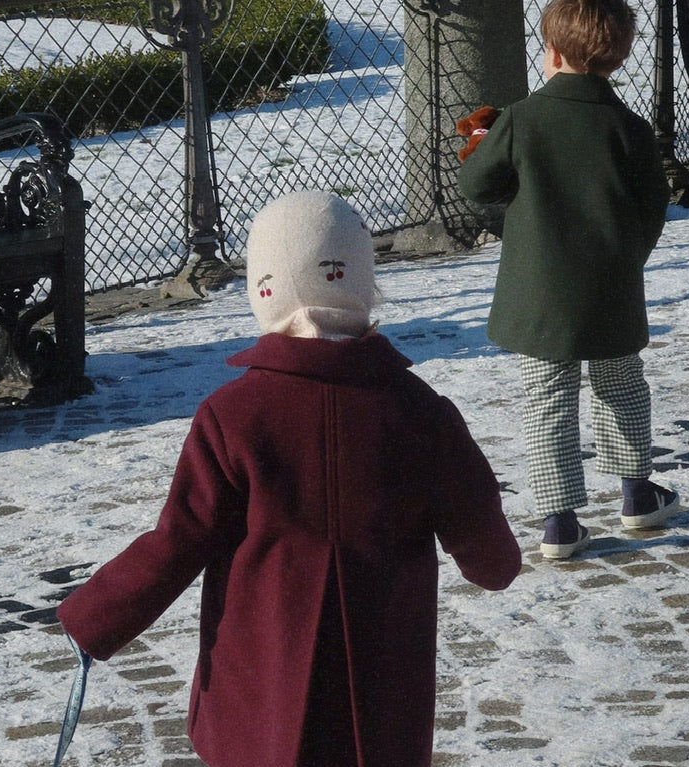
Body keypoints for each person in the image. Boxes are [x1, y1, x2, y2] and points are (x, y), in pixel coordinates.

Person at [57, 190, 521, 767]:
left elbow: (181, 538)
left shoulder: (233, 414)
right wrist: (492, 556)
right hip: (379, 675)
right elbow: (484, 543)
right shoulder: (418, 411)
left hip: (261, 669)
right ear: (357, 284)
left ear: (264, 291)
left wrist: (97, 616)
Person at [458, 0, 679, 561]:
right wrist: (628, 260)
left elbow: (477, 184)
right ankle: (636, 495)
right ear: (619, 56)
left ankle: (559, 523)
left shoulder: (521, 120)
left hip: (539, 297)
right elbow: (652, 206)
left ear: (552, 51)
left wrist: (483, 140)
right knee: (622, 387)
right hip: (611, 288)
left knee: (547, 397)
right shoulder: (630, 129)